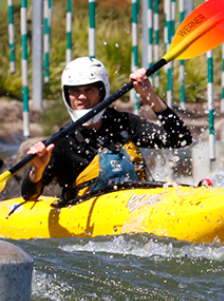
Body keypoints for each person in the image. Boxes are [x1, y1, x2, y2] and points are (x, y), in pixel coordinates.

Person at [22, 57, 194, 202]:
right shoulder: (61, 143)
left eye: (89, 89)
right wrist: (37, 169)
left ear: (102, 91)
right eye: (75, 91)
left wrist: (149, 95)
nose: (82, 96)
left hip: (138, 205)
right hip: (88, 223)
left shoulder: (124, 123)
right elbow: (29, 195)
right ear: (67, 95)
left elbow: (180, 139)